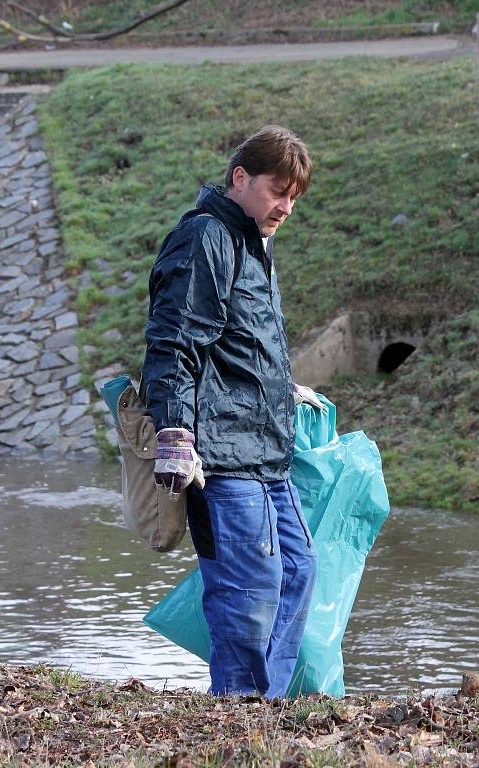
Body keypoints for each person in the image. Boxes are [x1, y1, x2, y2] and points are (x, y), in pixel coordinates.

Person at [142, 125, 324, 698]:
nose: (286, 207)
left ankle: (263, 711)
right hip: (220, 453)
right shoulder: (207, 238)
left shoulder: (251, 242)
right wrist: (175, 429)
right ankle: (241, 719)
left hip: (266, 449)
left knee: (296, 572)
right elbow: (174, 341)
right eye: (278, 191)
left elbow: (238, 339)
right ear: (240, 178)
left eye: (295, 196)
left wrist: (282, 382)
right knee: (249, 594)